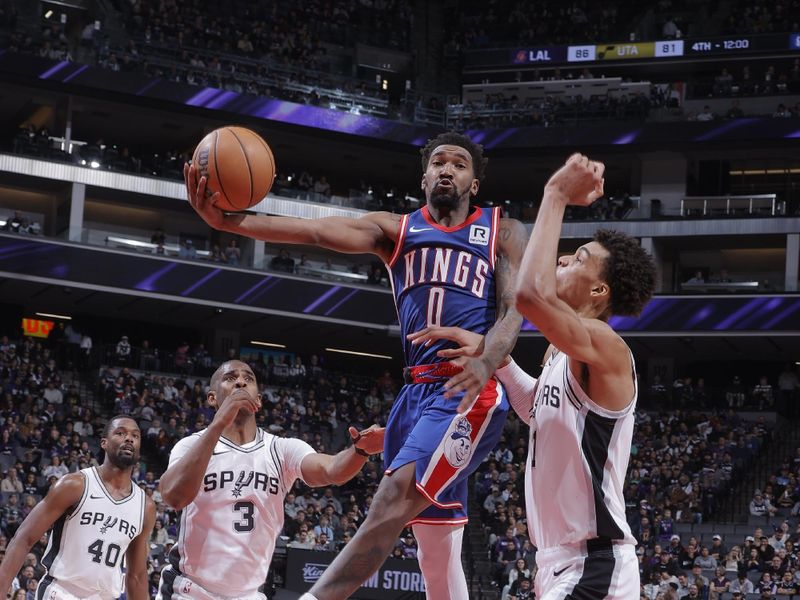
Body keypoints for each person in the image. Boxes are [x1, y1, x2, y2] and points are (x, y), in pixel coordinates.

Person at [186, 131, 527, 600]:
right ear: (424, 176)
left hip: (464, 389)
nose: (447, 169)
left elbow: (514, 310)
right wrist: (233, 223)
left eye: (459, 164)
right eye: (439, 162)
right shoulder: (398, 231)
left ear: (474, 182)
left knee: (389, 503)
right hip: (414, 396)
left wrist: (489, 359)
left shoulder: (502, 230)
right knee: (435, 548)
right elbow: (315, 230)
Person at [411, 154, 656, 599]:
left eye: (578, 258)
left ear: (599, 291)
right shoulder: (562, 353)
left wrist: (556, 194)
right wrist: (496, 358)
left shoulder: (606, 347)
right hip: (558, 564)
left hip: (594, 564)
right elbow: (536, 410)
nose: (564, 257)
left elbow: (527, 295)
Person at [156, 360, 385, 600]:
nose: (241, 382)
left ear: (259, 399)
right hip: (190, 591)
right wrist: (219, 423)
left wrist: (360, 451)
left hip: (249, 595)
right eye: (231, 378)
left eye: (249, 378)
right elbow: (174, 496)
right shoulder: (192, 445)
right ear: (212, 398)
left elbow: (331, 471)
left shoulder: (281, 450)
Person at [0, 416, 155, 600]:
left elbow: (136, 575)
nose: (129, 438)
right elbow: (24, 538)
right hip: (61, 592)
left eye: (135, 436)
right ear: (104, 443)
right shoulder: (75, 485)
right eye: (120, 433)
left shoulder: (145, 507)